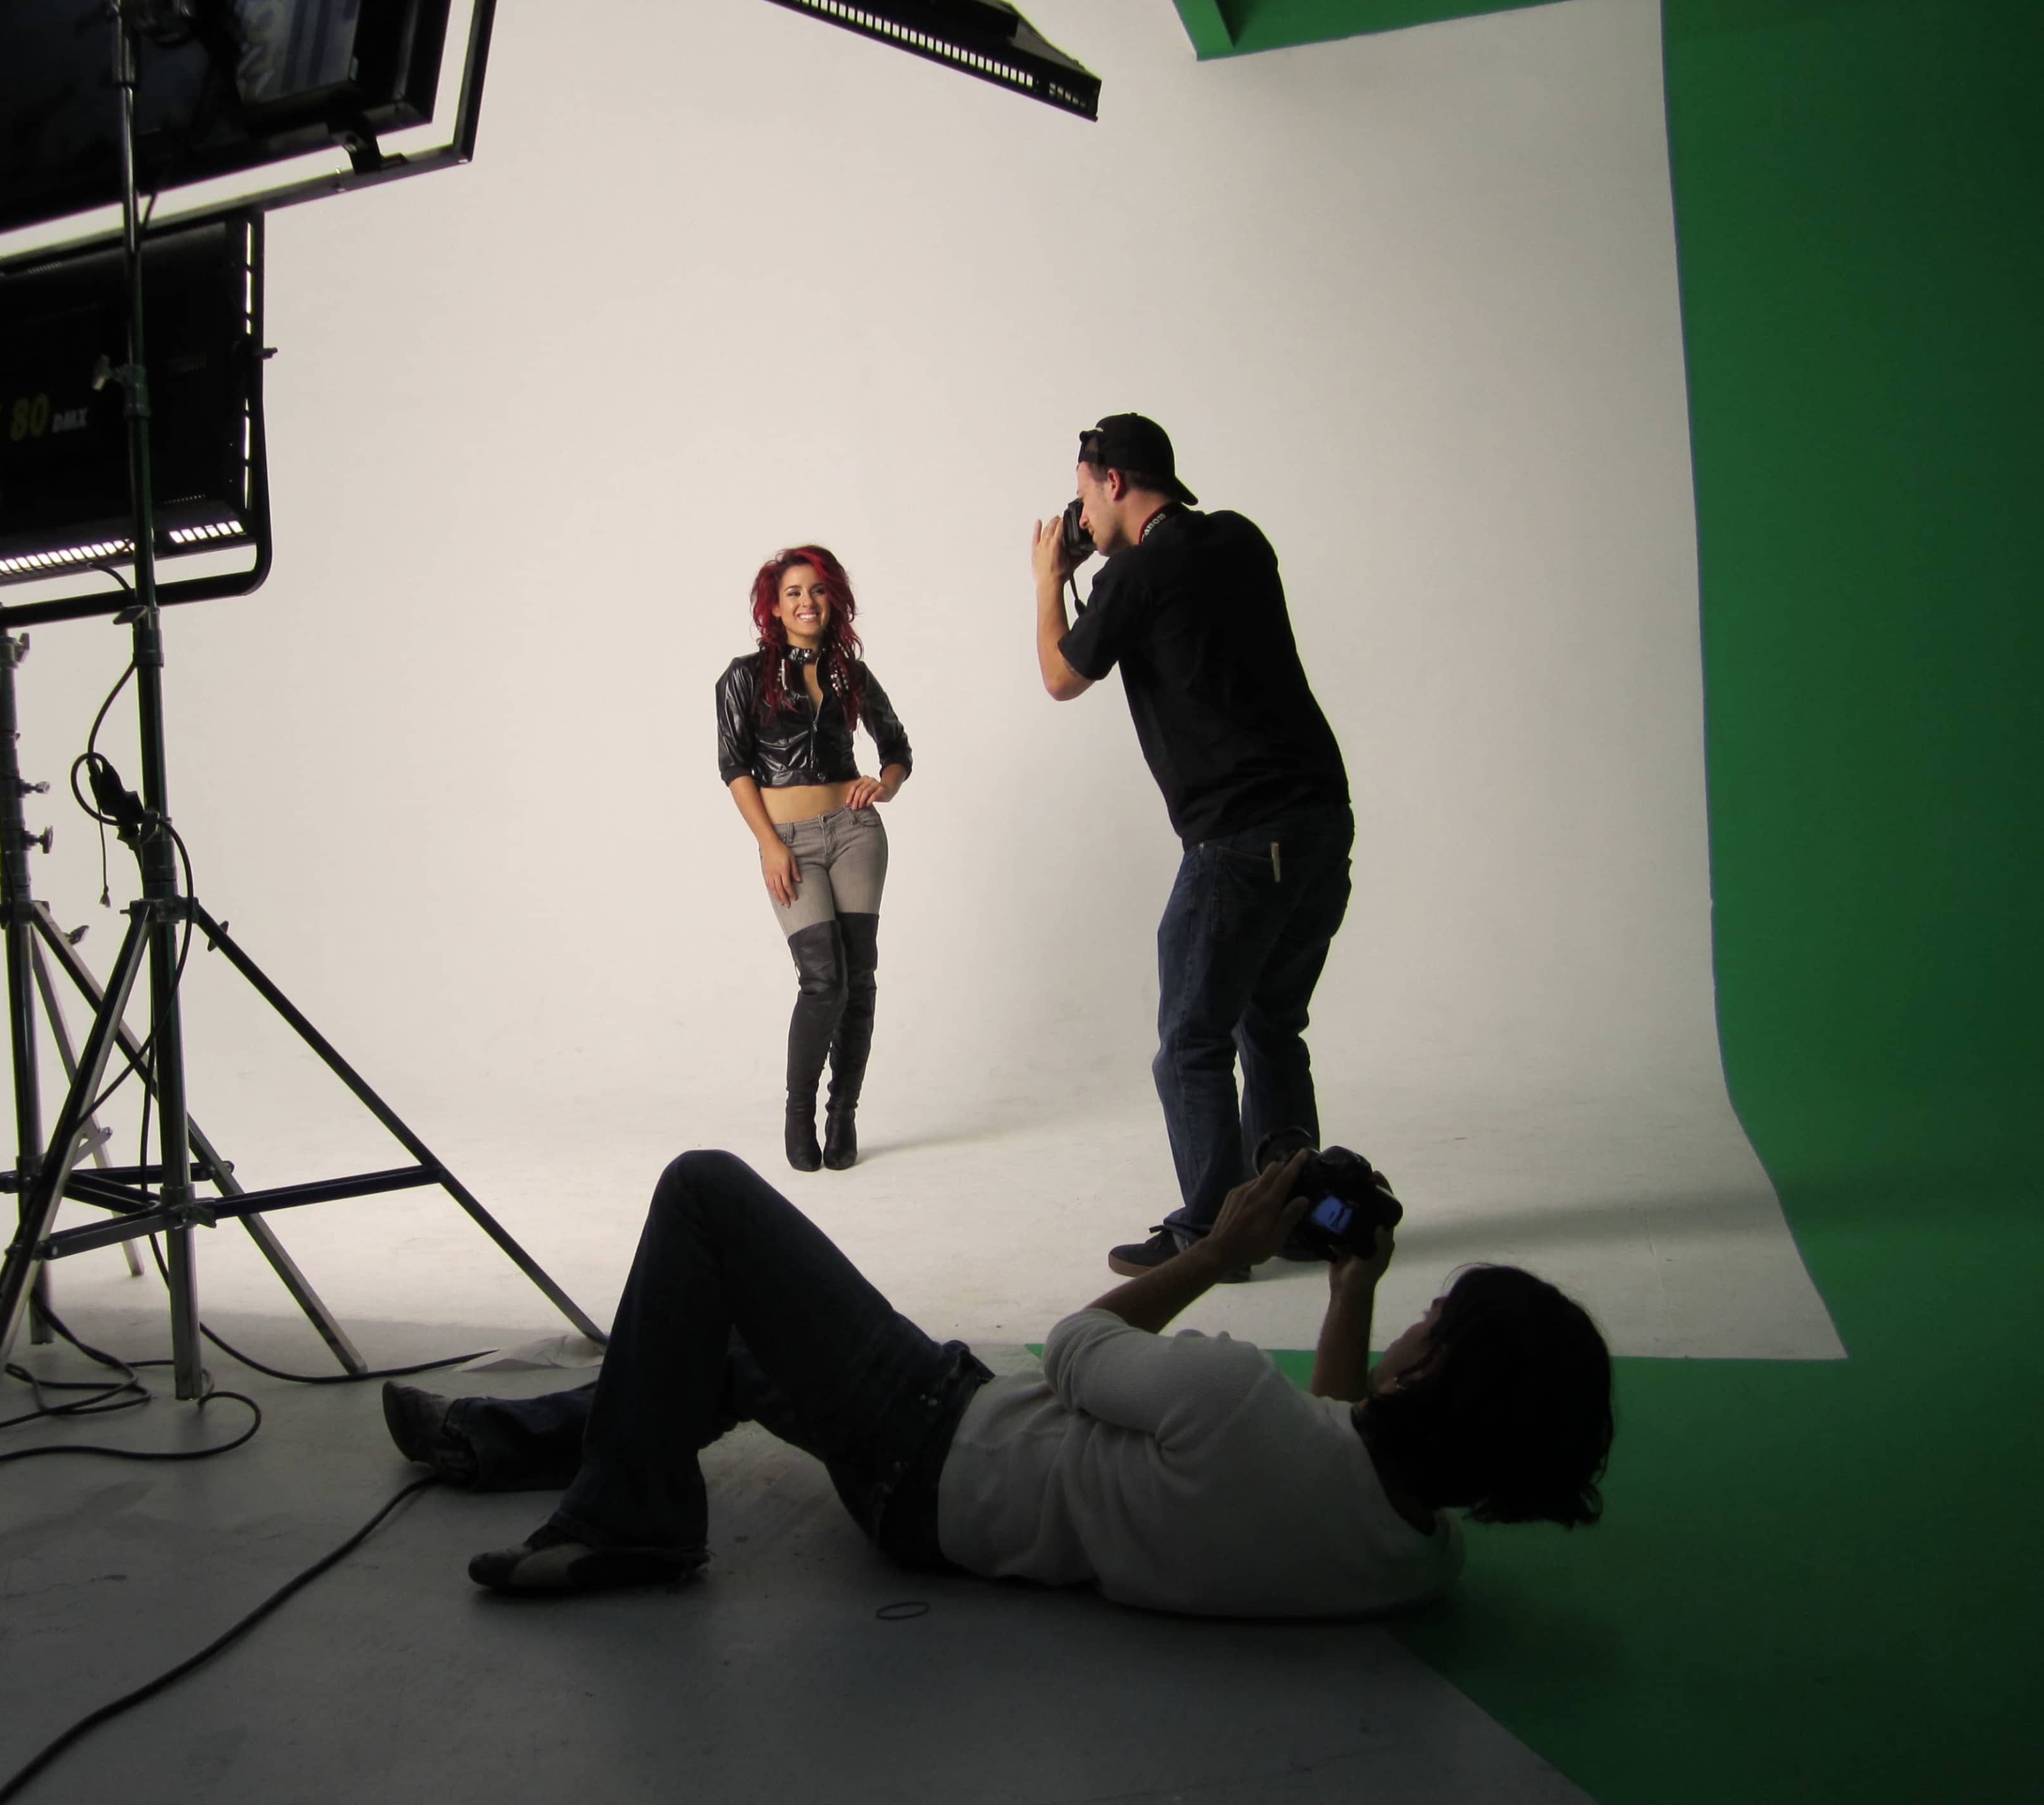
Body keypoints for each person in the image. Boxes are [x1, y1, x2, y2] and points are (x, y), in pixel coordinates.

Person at [380, 1149, 1612, 1610]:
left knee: (706, 1193)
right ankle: (501, 1441)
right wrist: (1350, 1294)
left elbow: (1075, 1347)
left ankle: (632, 1522)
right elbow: (1351, 1438)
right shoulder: (1417, 1555)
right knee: (731, 1352)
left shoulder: (1238, 1405)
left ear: (1438, 1364)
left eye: (1428, 1318)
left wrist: (1219, 1252)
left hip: (938, 1431)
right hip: (945, 1524)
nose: (1411, 1324)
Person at [1033, 414, 1355, 1278]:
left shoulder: (1136, 572)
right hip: (1323, 822)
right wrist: (1094, 571)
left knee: (1192, 1041)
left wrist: (1046, 578)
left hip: (1240, 839)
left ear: (1111, 481)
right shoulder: (1239, 541)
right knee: (1272, 1025)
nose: (1079, 517)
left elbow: (1062, 676)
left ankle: (1212, 1236)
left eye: (1082, 495)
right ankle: (1294, 1217)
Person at [715, 547, 913, 1172]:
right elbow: (734, 766)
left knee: (860, 979)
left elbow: (898, 747)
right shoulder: (744, 678)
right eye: (795, 592)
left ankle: (843, 1112)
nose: (808, 602)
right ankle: (799, 1111)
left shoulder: (849, 674)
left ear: (835, 602)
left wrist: (884, 783)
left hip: (856, 834)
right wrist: (769, 843)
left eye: (819, 591)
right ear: (774, 607)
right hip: (790, 842)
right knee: (823, 979)